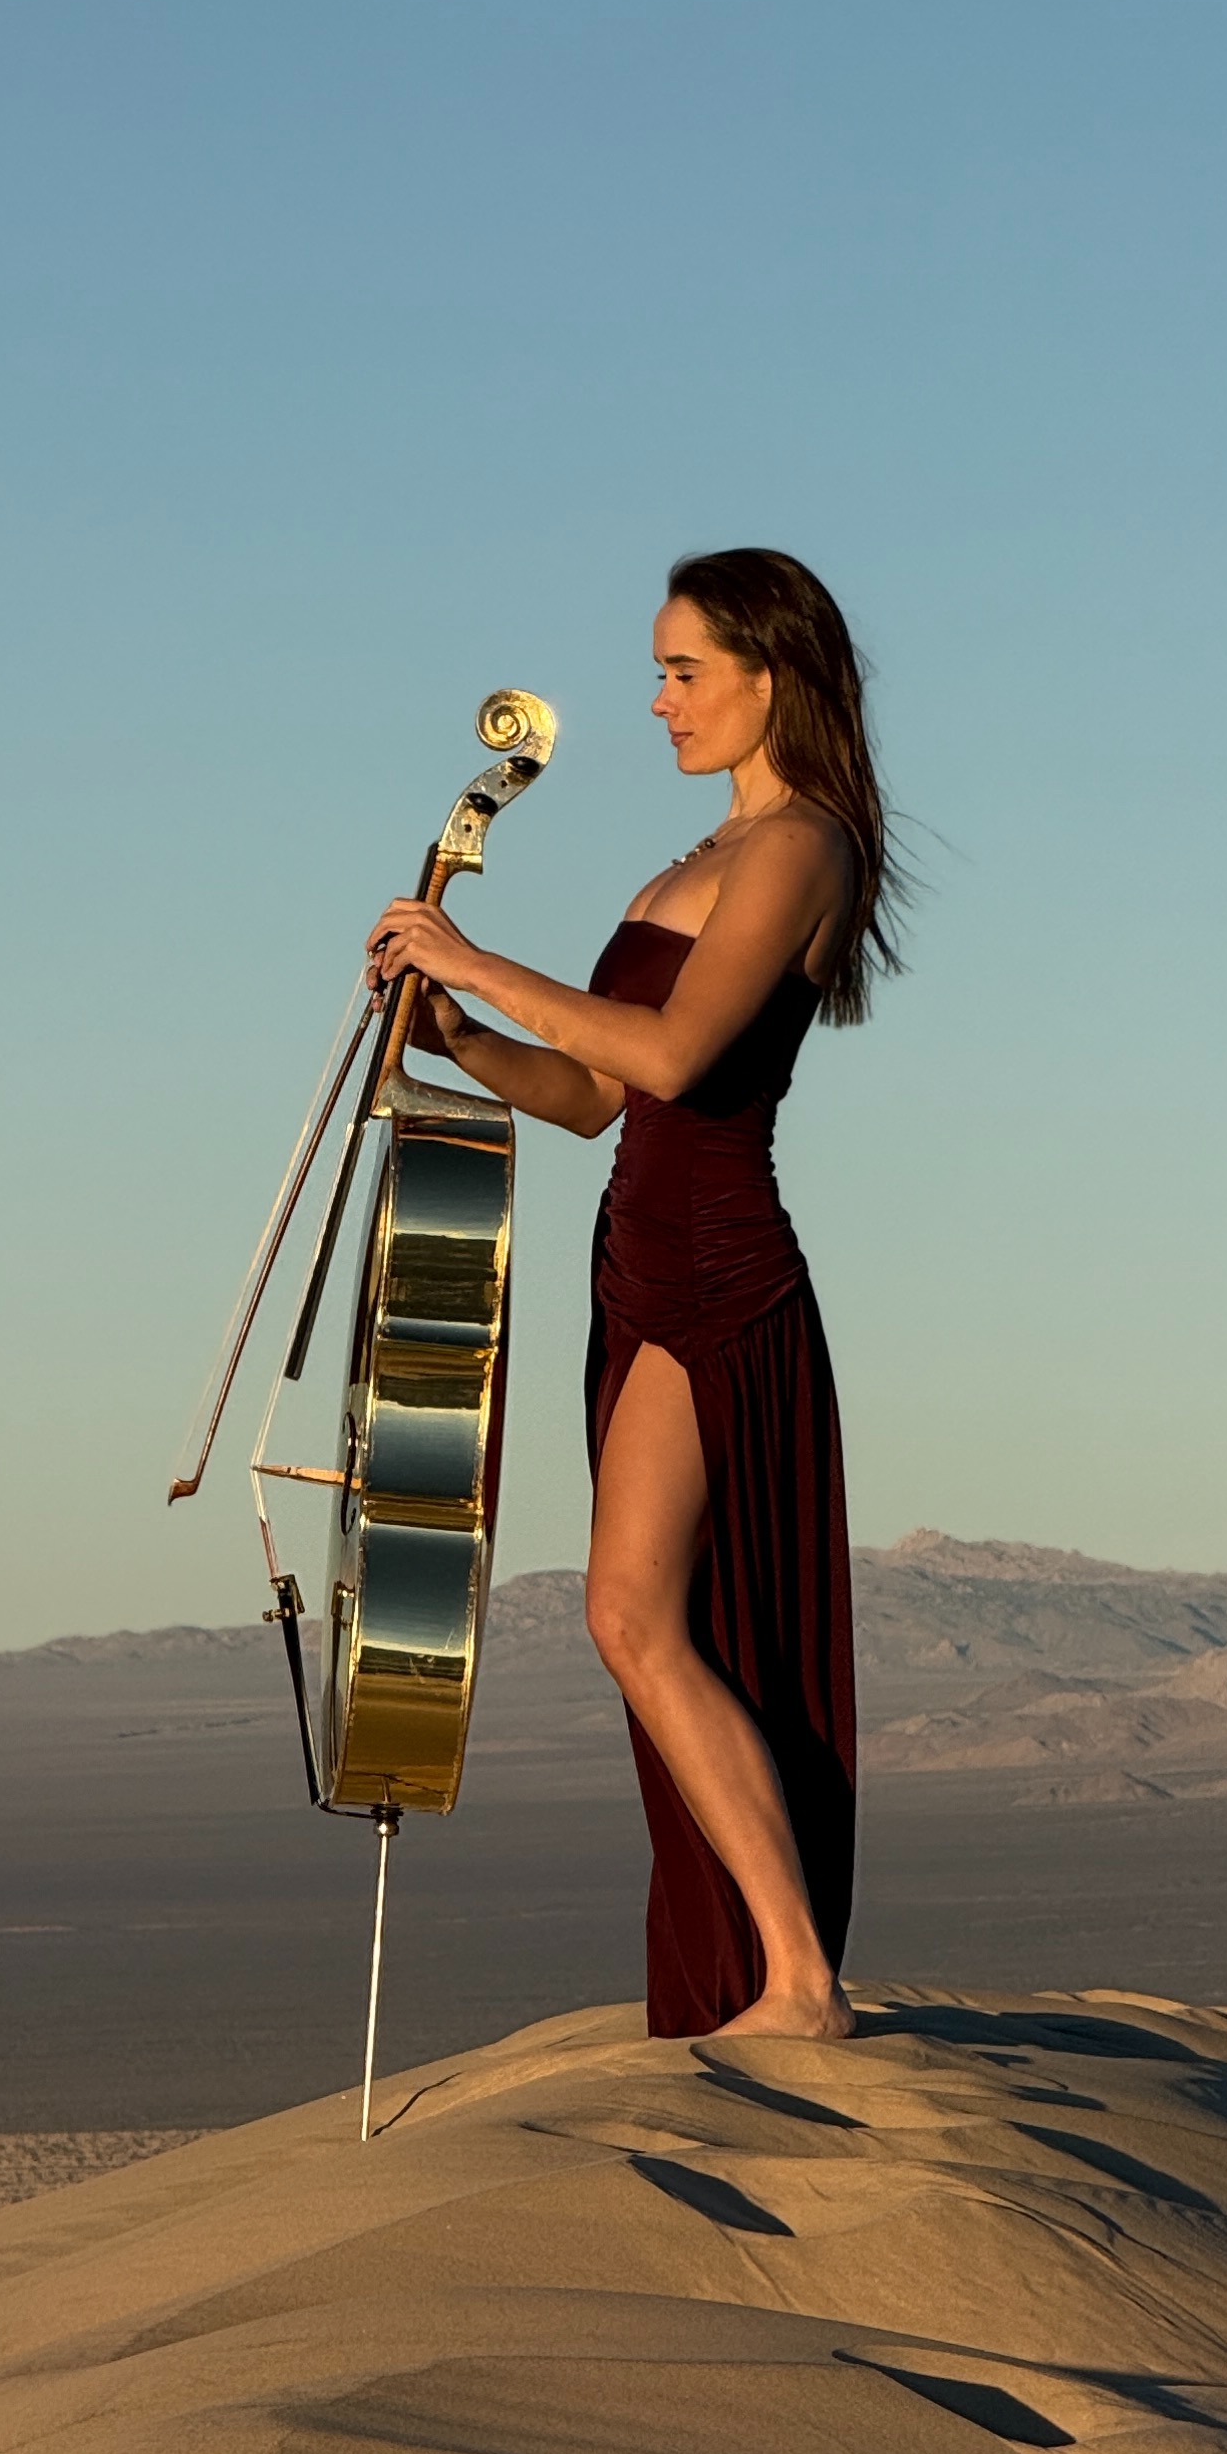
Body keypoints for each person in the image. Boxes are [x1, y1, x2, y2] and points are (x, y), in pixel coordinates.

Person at [364, 549, 902, 2042]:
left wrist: (476, 954)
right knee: (647, 1622)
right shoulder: (692, 859)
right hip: (636, 1258)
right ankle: (781, 1971)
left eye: (683, 671)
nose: (659, 700)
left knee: (628, 1613)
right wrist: (457, 1034)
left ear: (770, 676)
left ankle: (800, 1981)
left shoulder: (800, 846)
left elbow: (675, 1057)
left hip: (717, 1271)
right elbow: (600, 1096)